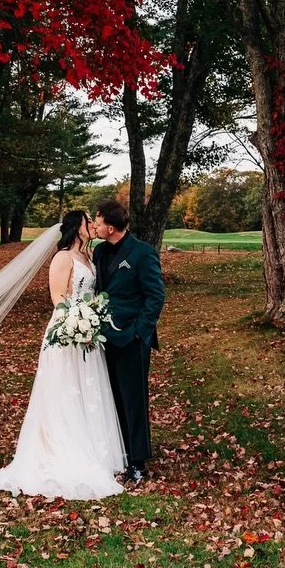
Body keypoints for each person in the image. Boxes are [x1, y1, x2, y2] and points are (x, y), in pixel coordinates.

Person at [0, 210, 127, 499]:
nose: (93, 226)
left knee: (88, 389)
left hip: (87, 332)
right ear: (78, 227)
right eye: (89, 222)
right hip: (67, 332)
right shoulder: (62, 258)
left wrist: (90, 319)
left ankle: (93, 449)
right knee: (65, 390)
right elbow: (57, 297)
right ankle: (60, 448)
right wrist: (76, 322)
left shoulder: (89, 256)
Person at [91, 198, 165, 485]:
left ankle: (137, 462)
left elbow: (155, 296)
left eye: (97, 222)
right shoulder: (98, 252)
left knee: (134, 400)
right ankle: (117, 453)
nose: (95, 226)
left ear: (110, 227)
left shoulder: (143, 253)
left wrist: (139, 332)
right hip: (101, 338)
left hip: (132, 339)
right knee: (110, 398)